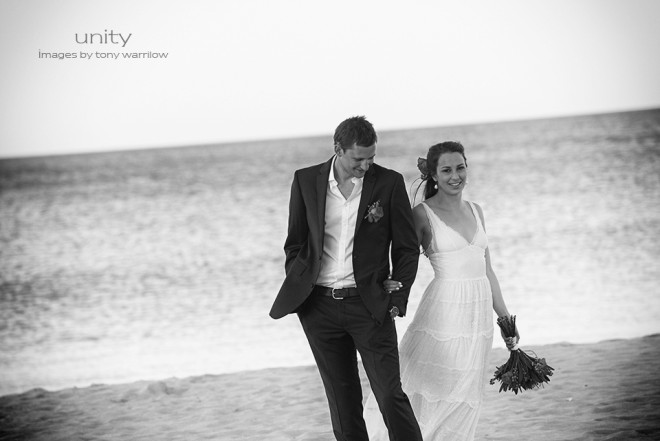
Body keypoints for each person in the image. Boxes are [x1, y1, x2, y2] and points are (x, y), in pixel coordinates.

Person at [269, 116, 423, 441]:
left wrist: (398, 296)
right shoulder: (305, 180)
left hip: (370, 306)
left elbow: (407, 247)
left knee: (389, 395)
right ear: (338, 149)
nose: (365, 165)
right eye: (358, 158)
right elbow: (295, 243)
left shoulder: (389, 183)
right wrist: (302, 289)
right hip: (319, 309)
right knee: (342, 402)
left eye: (371, 157)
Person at [363, 141, 519, 441]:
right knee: (430, 388)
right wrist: (388, 283)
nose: (454, 176)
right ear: (433, 175)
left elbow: (487, 271)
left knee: (465, 397)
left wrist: (505, 320)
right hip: (443, 316)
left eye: (460, 168)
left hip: (478, 321)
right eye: (446, 170)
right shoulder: (421, 214)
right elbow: (395, 251)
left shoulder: (477, 210)